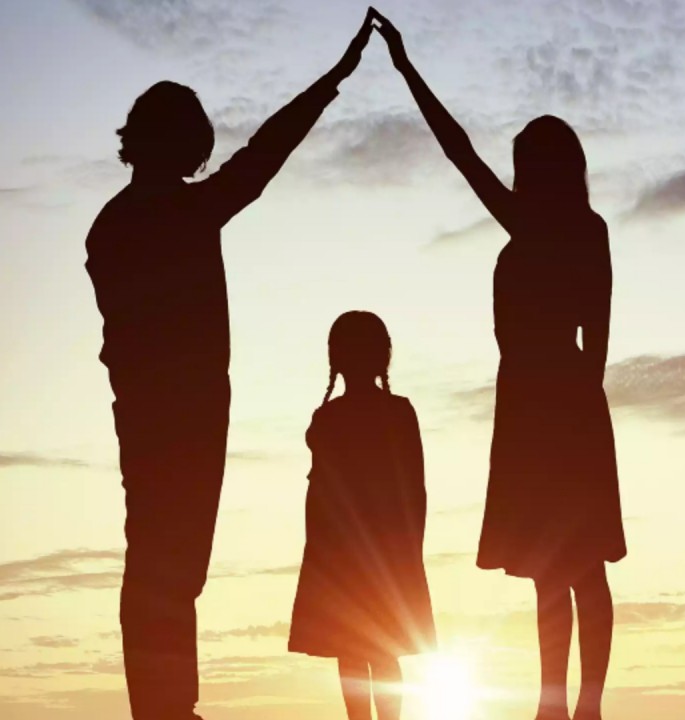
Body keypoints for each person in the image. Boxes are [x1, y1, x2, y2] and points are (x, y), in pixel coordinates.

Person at [84, 12, 375, 720]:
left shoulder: (117, 225)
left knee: (165, 563)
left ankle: (168, 704)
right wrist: (334, 79)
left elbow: (262, 154)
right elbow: (265, 154)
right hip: (175, 417)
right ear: (175, 142)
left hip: (159, 415)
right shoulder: (177, 214)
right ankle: (165, 707)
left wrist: (333, 81)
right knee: (166, 565)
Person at [371, 9, 627, 720]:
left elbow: (600, 331)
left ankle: (582, 705)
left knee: (576, 567)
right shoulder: (565, 226)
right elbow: (459, 151)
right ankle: (561, 705)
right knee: (558, 568)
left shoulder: (553, 227)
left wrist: (407, 68)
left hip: (553, 403)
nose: (515, 176)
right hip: (547, 400)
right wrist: (405, 68)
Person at [288, 311, 436, 720]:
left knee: (361, 649)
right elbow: (414, 490)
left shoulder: (340, 417)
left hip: (356, 554)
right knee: (368, 649)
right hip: (364, 553)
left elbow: (413, 488)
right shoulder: (382, 414)